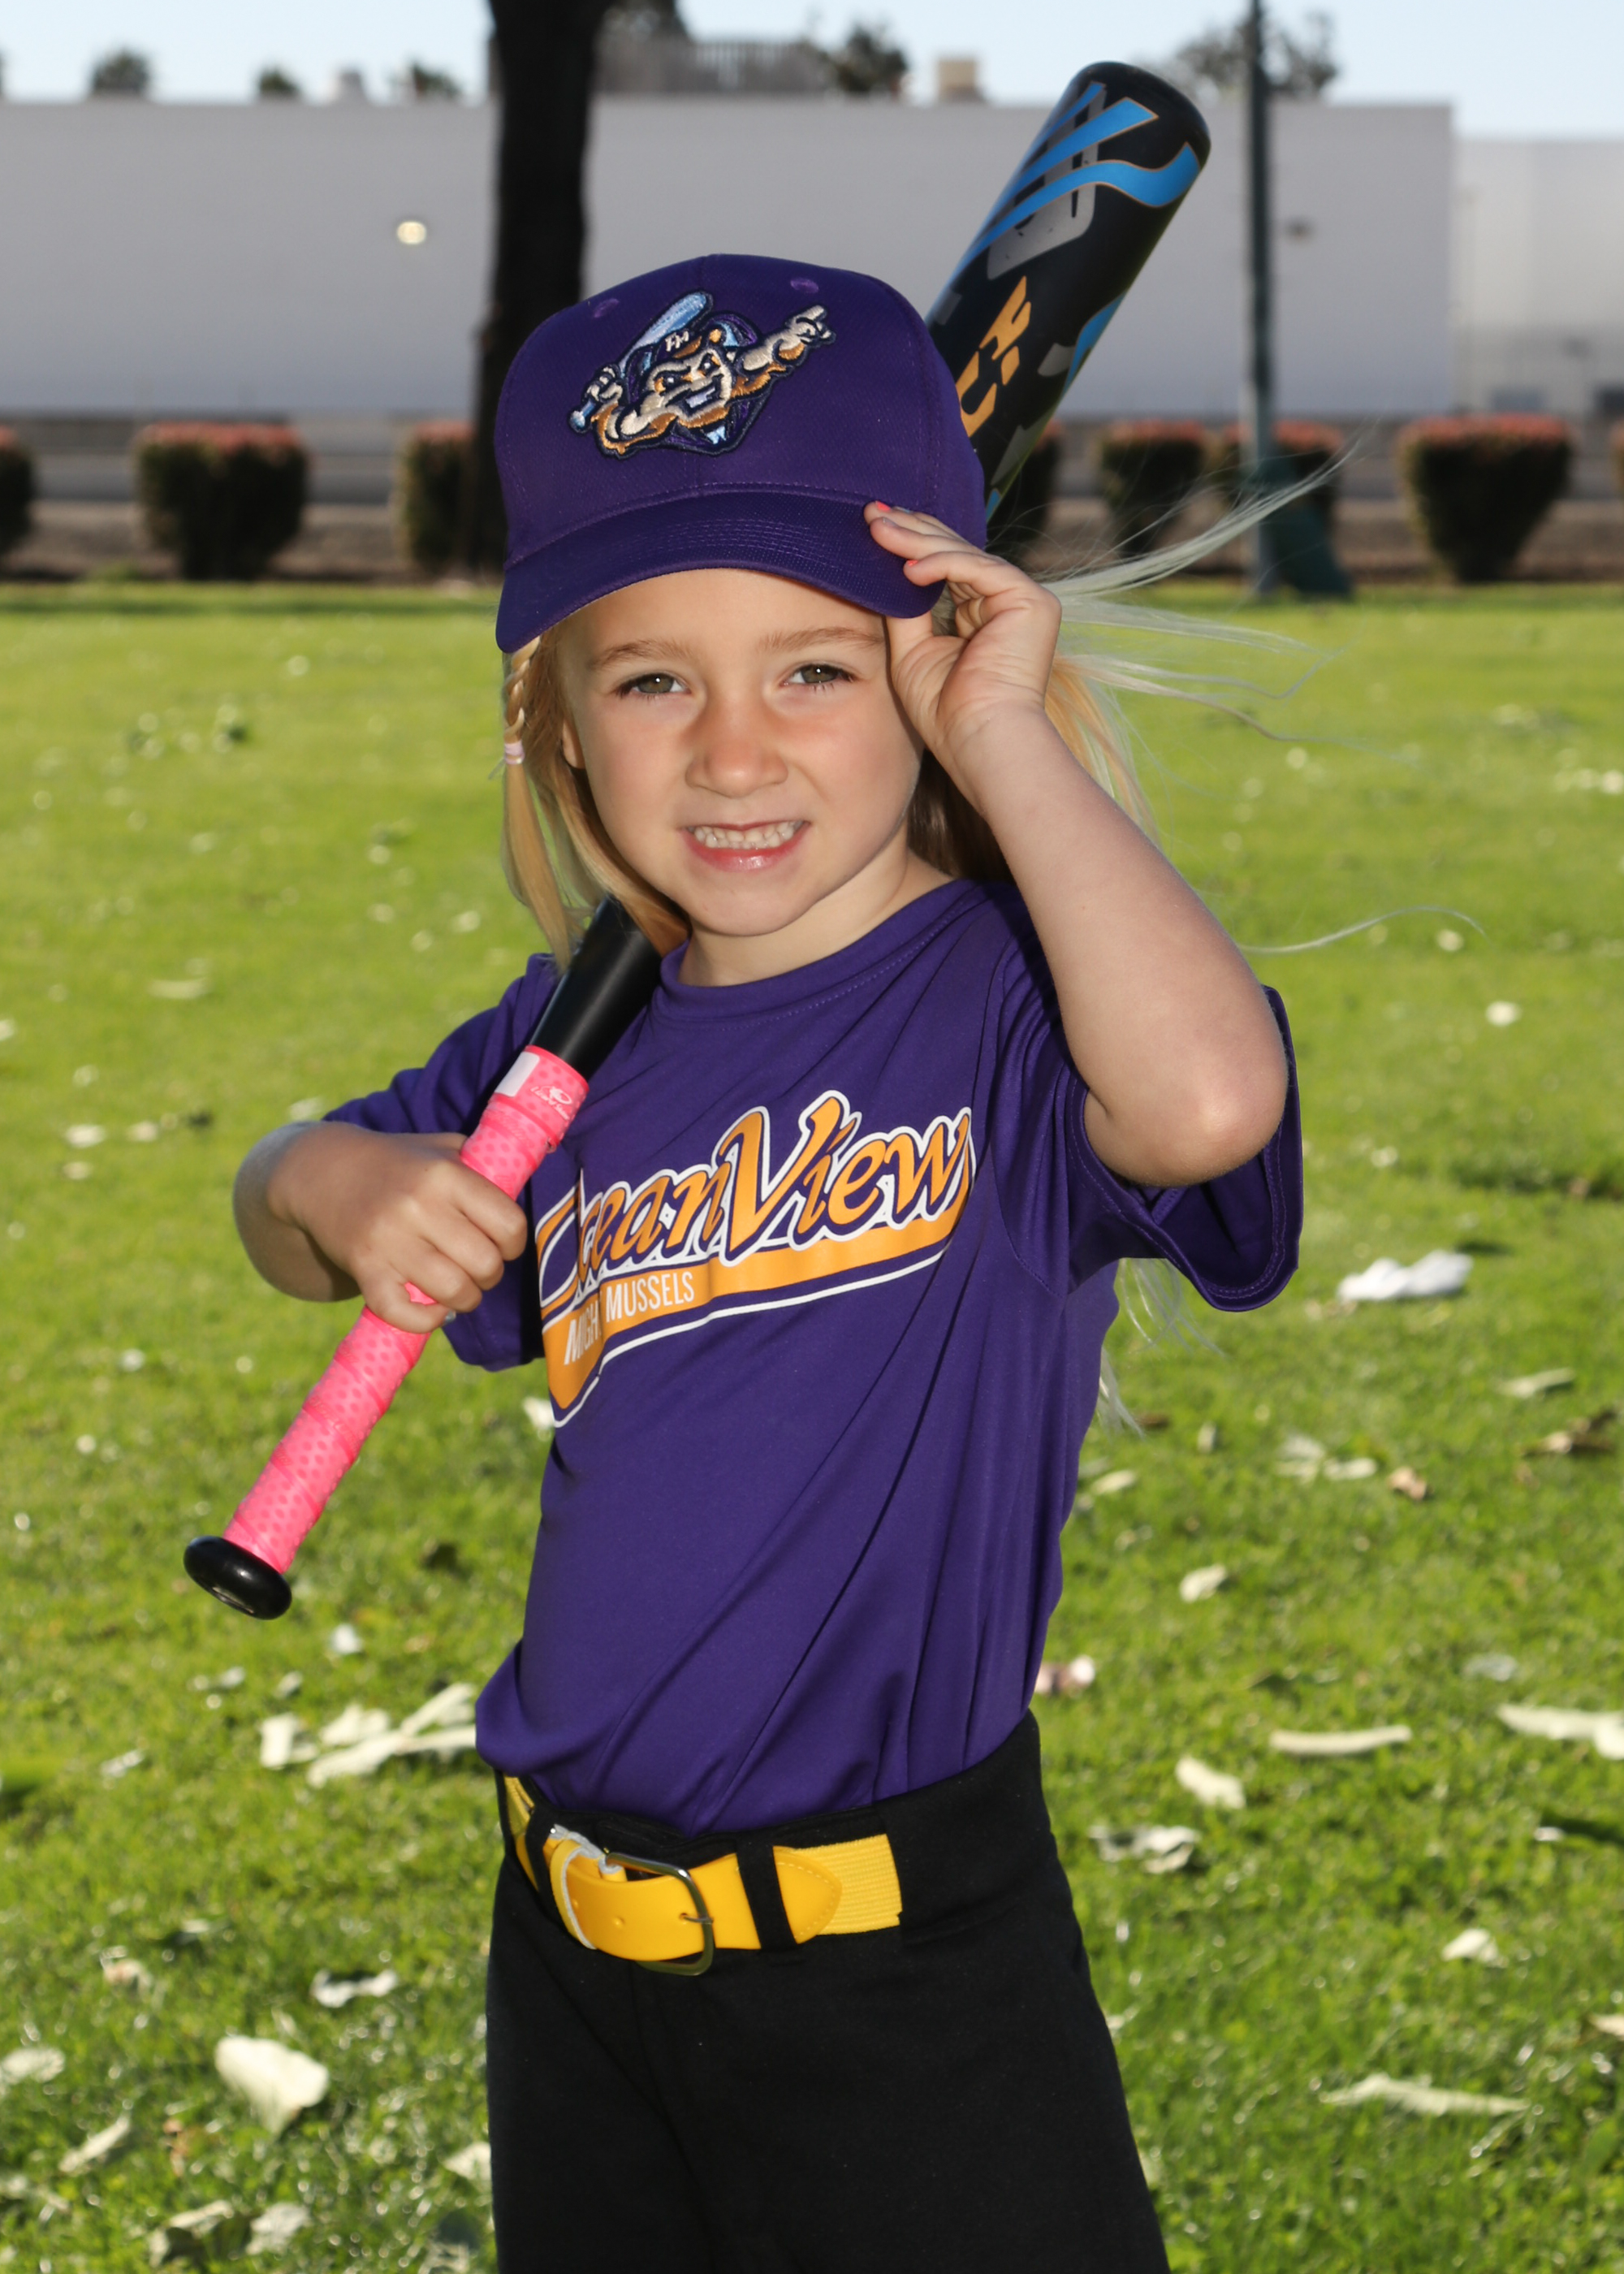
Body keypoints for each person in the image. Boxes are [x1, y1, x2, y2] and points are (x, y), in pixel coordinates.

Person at [234, 256, 1302, 2272]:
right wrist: (339, 1180)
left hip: (903, 1984)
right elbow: (277, 1202)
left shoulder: (1009, 999)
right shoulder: (570, 1041)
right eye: (654, 680)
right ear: (558, 723)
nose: (733, 753)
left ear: (933, 672)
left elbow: (1202, 1105)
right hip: (574, 1962)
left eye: (814, 668)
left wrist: (1009, 744)